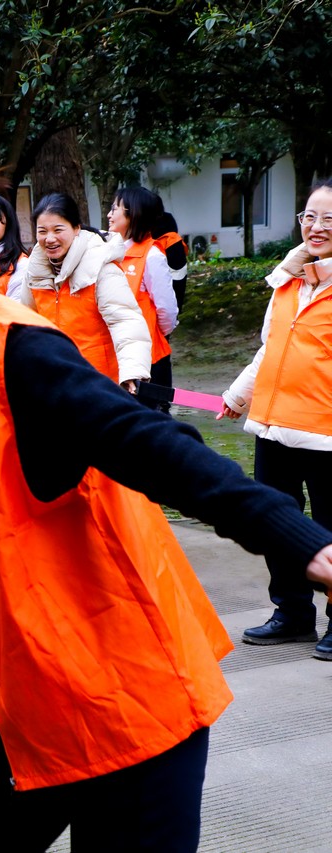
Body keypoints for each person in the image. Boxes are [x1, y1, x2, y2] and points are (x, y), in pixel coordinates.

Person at [0, 143, 332, 852]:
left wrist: (307, 542)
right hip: (43, 697)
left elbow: (158, 449)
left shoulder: (22, 355)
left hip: (134, 706)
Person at [222, 180, 332, 660]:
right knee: (278, 524)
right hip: (272, 425)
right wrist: (237, 395)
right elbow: (269, 348)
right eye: (309, 216)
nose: (317, 227)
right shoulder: (288, 278)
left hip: (326, 433)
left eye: (329, 219)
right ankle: (291, 613)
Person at [18, 193, 151, 390]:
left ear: (76, 228)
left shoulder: (101, 268)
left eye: (58, 229)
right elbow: (24, 321)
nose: (50, 238)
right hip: (53, 380)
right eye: (42, 231)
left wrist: (132, 371)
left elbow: (125, 320)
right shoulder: (35, 270)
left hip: (99, 384)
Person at [108, 187, 178, 402]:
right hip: (114, 354)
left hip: (146, 359)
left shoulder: (152, 256)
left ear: (133, 214)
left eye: (114, 209)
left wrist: (152, 335)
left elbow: (166, 311)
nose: (109, 215)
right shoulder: (107, 252)